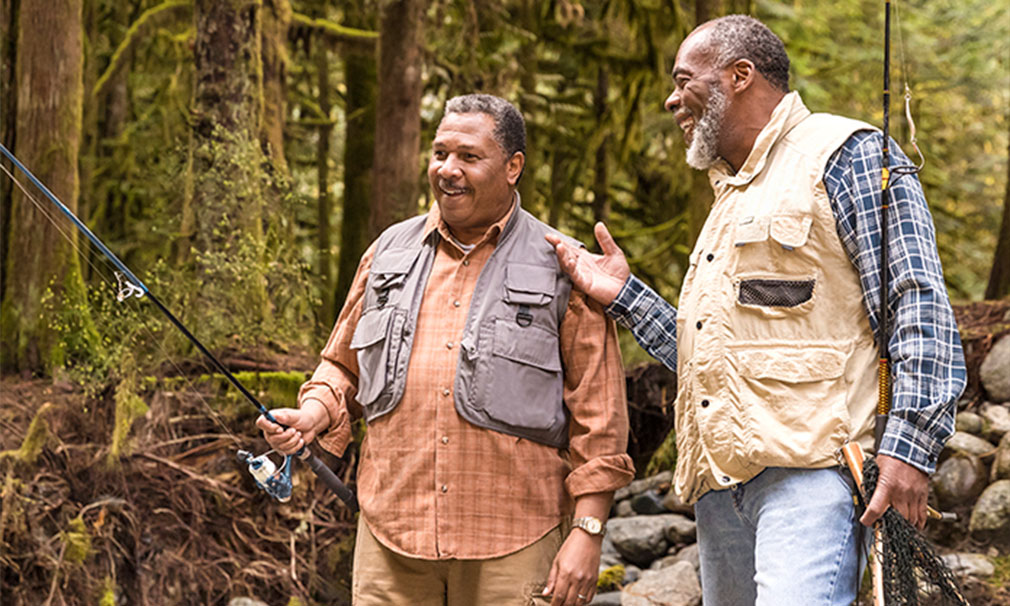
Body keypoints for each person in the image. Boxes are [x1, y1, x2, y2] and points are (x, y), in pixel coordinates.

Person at [547, 15, 966, 606]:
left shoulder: (847, 155)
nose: (672, 99)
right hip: (722, 497)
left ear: (739, 76)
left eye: (684, 79)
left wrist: (908, 448)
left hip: (815, 481)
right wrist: (624, 296)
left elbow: (918, 304)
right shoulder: (729, 196)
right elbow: (714, 351)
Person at [257, 93, 634, 606]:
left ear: (513, 167)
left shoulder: (564, 263)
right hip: (392, 534)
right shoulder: (388, 251)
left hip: (516, 541)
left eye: (469, 157)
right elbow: (341, 364)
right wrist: (312, 412)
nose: (448, 171)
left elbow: (600, 413)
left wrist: (587, 532)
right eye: (440, 154)